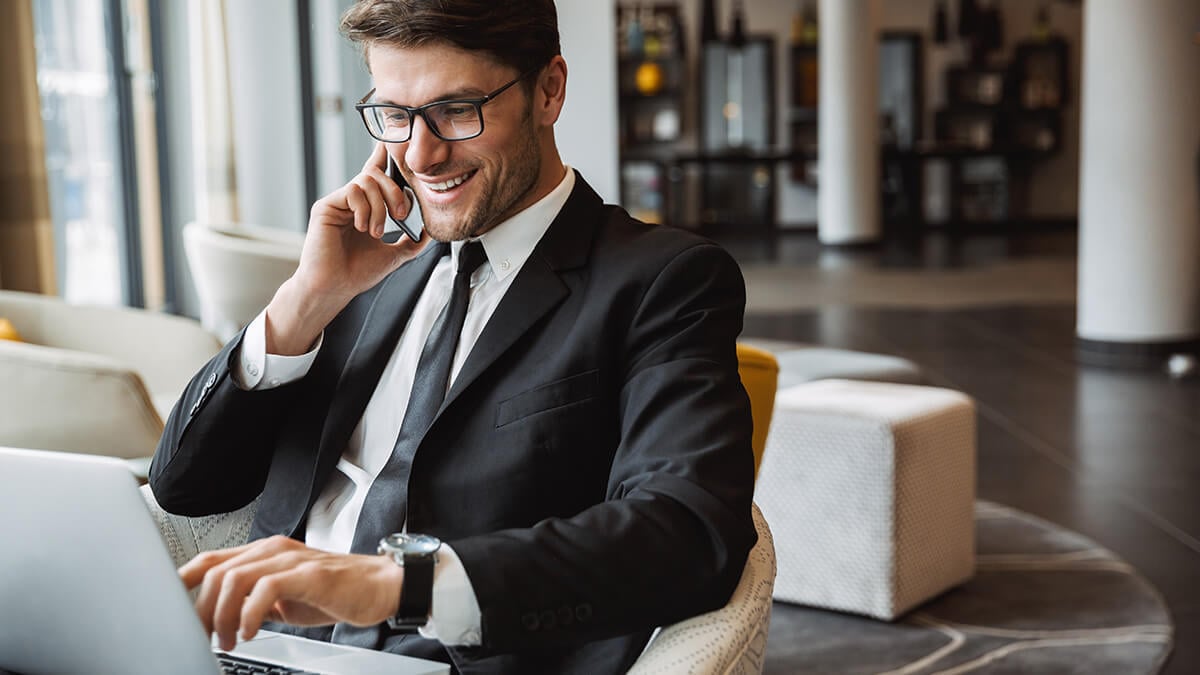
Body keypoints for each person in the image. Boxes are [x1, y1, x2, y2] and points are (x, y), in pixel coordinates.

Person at [150, 1, 756, 672]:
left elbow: (688, 531)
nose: (421, 153)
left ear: (548, 90)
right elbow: (182, 487)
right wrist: (304, 302)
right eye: (396, 115)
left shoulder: (661, 282)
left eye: (456, 111)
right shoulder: (361, 269)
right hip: (256, 655)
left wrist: (395, 584)